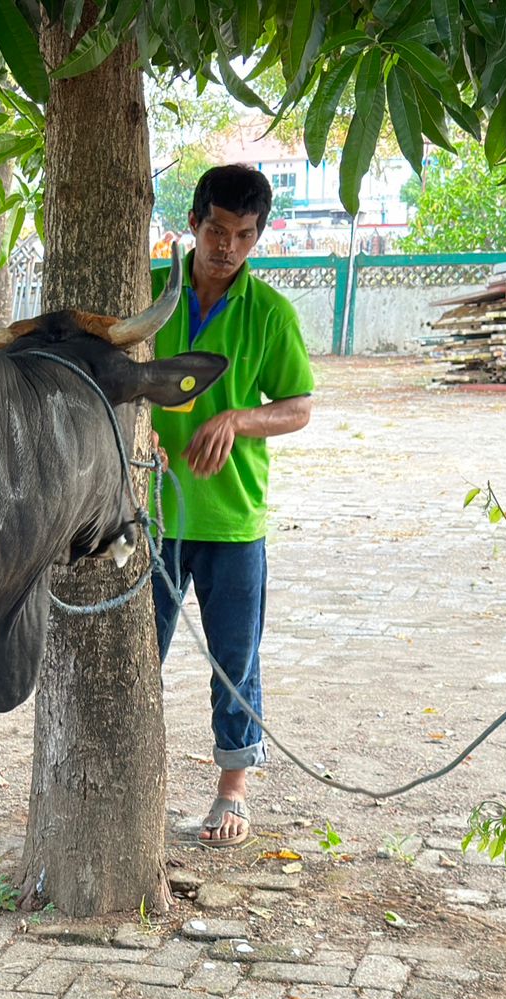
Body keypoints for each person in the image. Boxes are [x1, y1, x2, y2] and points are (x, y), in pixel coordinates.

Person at [149, 164, 315, 848]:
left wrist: (239, 420)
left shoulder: (270, 313)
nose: (227, 247)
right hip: (148, 516)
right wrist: (141, 431)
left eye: (243, 235)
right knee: (134, 657)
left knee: (234, 661)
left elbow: (299, 407)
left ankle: (232, 792)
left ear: (259, 236)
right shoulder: (148, 295)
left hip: (234, 520)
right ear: (192, 224)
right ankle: (133, 784)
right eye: (216, 230)